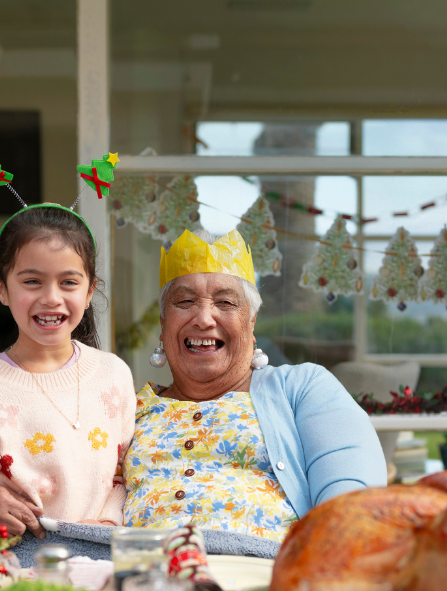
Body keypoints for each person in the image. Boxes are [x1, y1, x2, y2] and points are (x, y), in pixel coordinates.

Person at [120, 228, 384, 546]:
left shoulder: (303, 389)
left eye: (226, 302)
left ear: (252, 322)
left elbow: (352, 505)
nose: (204, 318)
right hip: (140, 579)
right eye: (186, 301)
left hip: (260, 580)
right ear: (163, 325)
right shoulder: (123, 410)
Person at [0, 201, 136, 562]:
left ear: (90, 290)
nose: (51, 298)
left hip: (101, 561)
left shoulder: (113, 375)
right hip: (10, 572)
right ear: (2, 289)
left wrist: (105, 527)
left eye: (69, 282)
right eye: (32, 281)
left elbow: (128, 475)